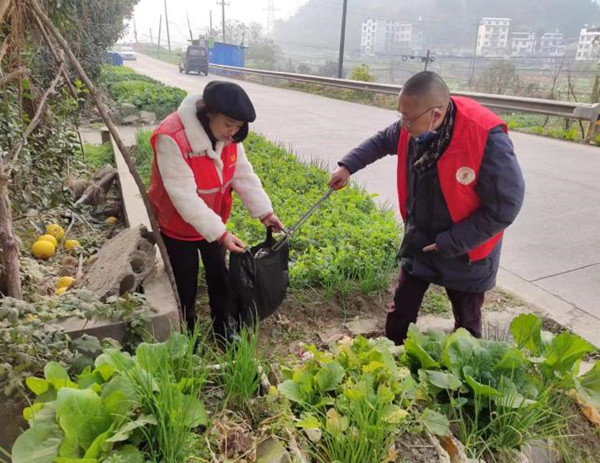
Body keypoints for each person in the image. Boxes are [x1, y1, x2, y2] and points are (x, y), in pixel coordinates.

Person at [329, 71, 525, 345]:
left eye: (408, 118)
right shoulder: (412, 124)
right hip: (421, 236)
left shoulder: (485, 137)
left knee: (467, 326)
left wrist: (453, 241)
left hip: (467, 245)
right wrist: (348, 166)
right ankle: (390, 361)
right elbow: (381, 141)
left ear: (435, 115)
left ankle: (460, 379)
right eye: (401, 115)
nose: (402, 124)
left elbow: (507, 205)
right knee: (401, 312)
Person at [148, 81, 283, 340]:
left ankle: (224, 327)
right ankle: (187, 334)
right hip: (176, 226)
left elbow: (242, 174)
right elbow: (183, 196)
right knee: (184, 283)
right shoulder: (172, 137)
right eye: (228, 124)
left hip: (213, 222)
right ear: (209, 112)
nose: (233, 132)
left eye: (239, 127)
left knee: (219, 276)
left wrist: (265, 212)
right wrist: (221, 234)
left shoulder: (229, 137)